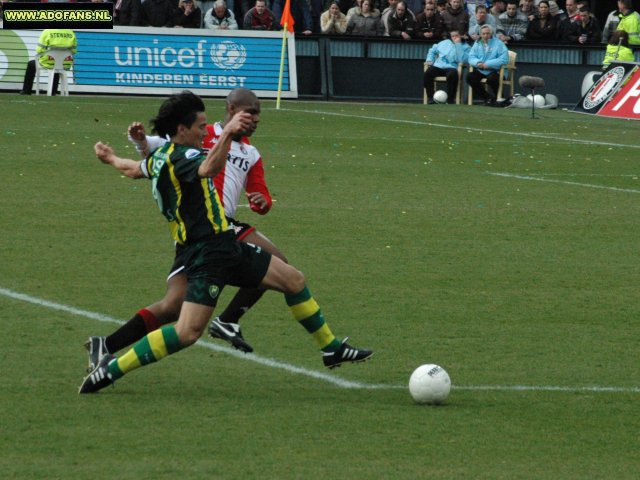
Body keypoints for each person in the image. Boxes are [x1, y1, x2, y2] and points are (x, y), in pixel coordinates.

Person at [81, 90, 373, 393]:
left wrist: (111, 158)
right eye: (199, 127)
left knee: (294, 279)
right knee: (186, 331)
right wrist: (229, 132)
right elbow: (209, 168)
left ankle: (330, 347)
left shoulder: (159, 159)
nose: (203, 133)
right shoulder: (186, 156)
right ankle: (110, 370)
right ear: (182, 130)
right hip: (207, 252)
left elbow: (131, 169)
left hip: (224, 244)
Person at [20, 29, 77, 96]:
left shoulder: (47, 32)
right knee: (58, 64)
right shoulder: (71, 33)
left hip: (48, 62)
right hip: (64, 63)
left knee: (31, 64)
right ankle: (53, 91)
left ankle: (26, 91)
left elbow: (39, 50)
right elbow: (74, 51)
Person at [423, 30, 470, 104]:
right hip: (438, 65)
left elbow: (462, 59)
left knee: (453, 75)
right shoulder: (444, 42)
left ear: (461, 36)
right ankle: (431, 97)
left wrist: (458, 45)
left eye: (456, 35)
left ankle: (450, 99)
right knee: (427, 73)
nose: (454, 37)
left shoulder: (465, 46)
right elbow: (432, 50)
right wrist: (429, 59)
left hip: (452, 66)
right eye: (452, 36)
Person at [466, 24, 508, 106]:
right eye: (483, 34)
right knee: (469, 77)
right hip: (481, 69)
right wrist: (478, 63)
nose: (485, 35)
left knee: (492, 79)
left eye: (488, 33)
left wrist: (488, 64)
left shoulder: (499, 43)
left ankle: (499, 98)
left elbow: (504, 59)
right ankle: (487, 98)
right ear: (480, 34)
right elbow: (471, 57)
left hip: (496, 70)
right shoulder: (477, 43)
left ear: (491, 34)